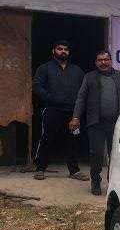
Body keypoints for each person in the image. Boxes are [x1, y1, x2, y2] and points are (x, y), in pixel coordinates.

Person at [70, 50, 120, 195]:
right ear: (96, 62)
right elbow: (81, 98)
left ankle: (113, 183)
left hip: (118, 124)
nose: (103, 62)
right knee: (96, 153)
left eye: (106, 59)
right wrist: (75, 117)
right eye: (100, 60)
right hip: (96, 122)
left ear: (111, 61)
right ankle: (96, 181)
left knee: (115, 154)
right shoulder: (89, 77)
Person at [33, 39, 88, 182]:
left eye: (66, 49)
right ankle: (40, 168)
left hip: (72, 112)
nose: (63, 51)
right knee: (47, 138)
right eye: (60, 49)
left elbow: (84, 90)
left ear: (69, 52)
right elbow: (37, 86)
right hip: (52, 109)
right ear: (53, 51)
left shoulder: (77, 70)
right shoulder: (45, 68)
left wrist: (79, 110)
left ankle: (74, 171)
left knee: (73, 140)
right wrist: (50, 98)